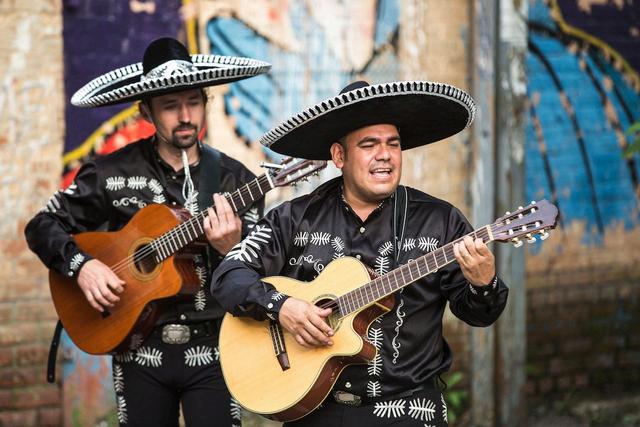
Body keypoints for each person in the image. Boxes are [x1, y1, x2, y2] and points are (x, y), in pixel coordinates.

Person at [211, 80, 509, 426]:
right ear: (339, 156)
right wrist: (283, 307)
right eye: (369, 145)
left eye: (393, 144)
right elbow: (228, 276)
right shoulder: (293, 218)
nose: (385, 155)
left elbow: (479, 315)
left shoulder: (440, 222)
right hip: (316, 409)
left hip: (409, 409)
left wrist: (484, 283)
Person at [25, 37, 270, 427]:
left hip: (217, 346)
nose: (185, 116)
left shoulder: (235, 180)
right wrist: (83, 267)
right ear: (146, 111)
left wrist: (233, 249)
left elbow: (263, 274)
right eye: (170, 106)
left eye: (193, 102)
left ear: (206, 101)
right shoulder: (110, 173)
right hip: (137, 345)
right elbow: (42, 226)